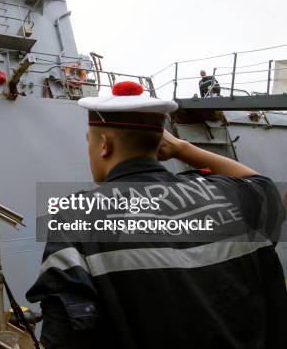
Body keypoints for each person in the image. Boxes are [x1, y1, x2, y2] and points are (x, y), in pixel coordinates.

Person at [27, 81, 287, 348]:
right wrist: (184, 149)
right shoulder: (231, 195)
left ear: (104, 145)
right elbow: (260, 183)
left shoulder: (76, 217)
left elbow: (64, 338)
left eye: (90, 141)